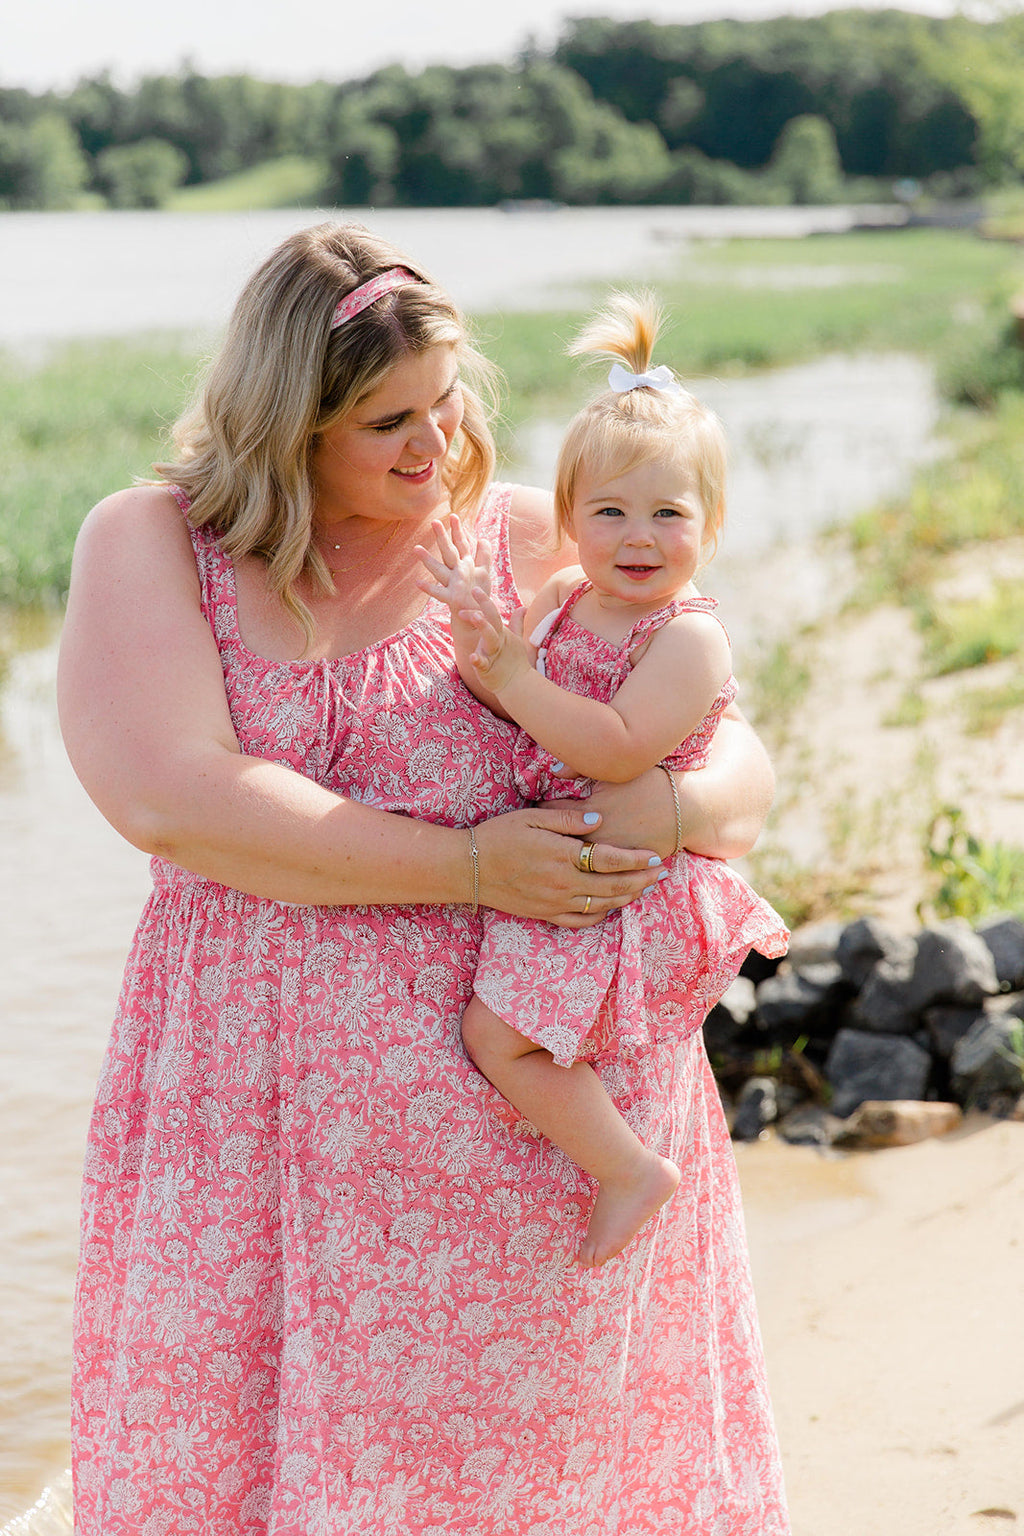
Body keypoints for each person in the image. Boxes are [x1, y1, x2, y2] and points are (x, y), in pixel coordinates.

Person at [57, 221, 790, 1534]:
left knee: (541, 1484)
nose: (434, 446)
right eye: (387, 420)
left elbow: (722, 736)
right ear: (288, 425)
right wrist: (467, 863)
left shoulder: (523, 544)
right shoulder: (156, 546)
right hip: (262, 1138)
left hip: (540, 1140)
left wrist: (673, 803)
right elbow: (171, 798)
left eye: (446, 404)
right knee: (248, 1465)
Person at [418, 293, 788, 1270]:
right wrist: (477, 636)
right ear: (570, 518)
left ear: (708, 526)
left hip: (624, 882)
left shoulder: (688, 637)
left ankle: (630, 1168)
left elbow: (617, 748)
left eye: (668, 513)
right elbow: (503, 698)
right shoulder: (564, 595)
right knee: (507, 1033)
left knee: (501, 1039)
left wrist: (512, 676)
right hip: (571, 866)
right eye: (609, 511)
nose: (637, 536)